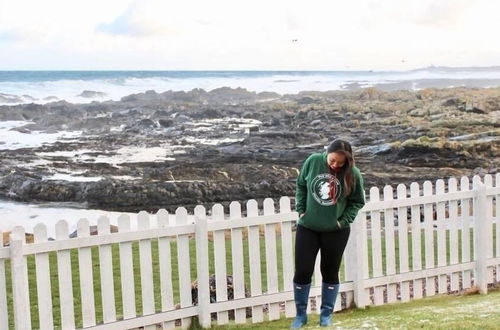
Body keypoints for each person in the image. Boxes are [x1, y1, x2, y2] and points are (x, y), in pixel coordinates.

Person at [291, 139, 366, 329]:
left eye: (340, 163)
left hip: (336, 231)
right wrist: (301, 210)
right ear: (327, 153)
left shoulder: (353, 174)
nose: (335, 165)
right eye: (333, 160)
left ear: (347, 161)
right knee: (302, 271)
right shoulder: (314, 161)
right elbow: (300, 185)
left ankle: (326, 315)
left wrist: (342, 221)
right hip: (308, 227)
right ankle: (300, 315)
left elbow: (357, 202)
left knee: (330, 271)